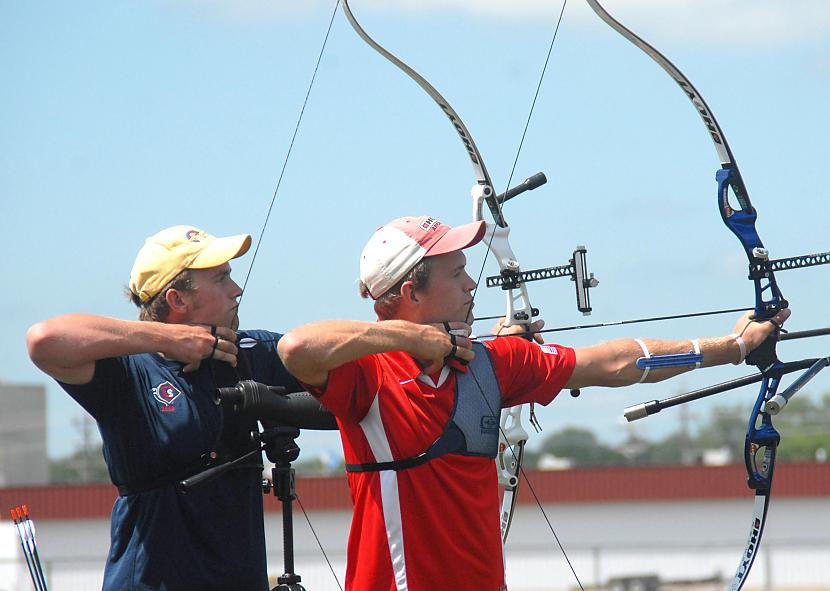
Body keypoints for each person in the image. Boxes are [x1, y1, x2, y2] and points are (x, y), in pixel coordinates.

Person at [276, 214, 790, 591]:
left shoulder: (489, 363)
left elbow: (613, 363)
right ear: (411, 292)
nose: (473, 283)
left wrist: (732, 347)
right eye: (457, 274)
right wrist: (414, 340)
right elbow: (296, 347)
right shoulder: (366, 373)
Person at [26, 225, 302, 591]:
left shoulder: (249, 353)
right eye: (221, 279)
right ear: (177, 301)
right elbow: (44, 340)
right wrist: (170, 339)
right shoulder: (130, 369)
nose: (237, 289)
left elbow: (333, 363)